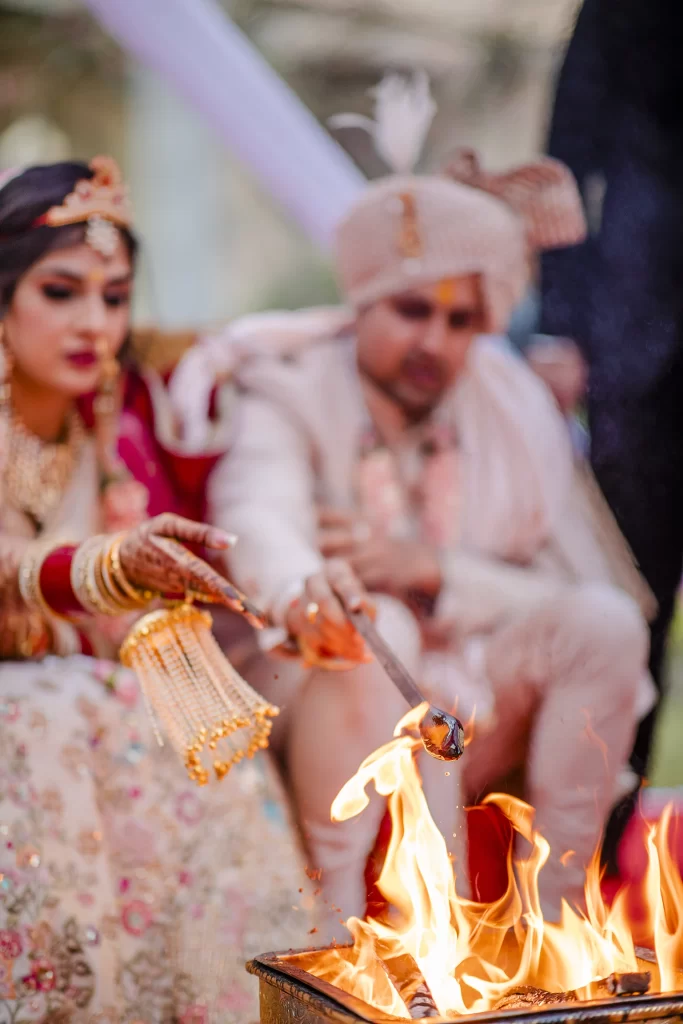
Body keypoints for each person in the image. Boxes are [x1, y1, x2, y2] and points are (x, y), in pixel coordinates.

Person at [201, 80, 655, 940]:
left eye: (460, 319)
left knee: (598, 625)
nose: (435, 343)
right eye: (413, 310)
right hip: (321, 702)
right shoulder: (290, 387)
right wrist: (312, 588)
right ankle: (339, 935)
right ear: (365, 301)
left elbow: (585, 592)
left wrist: (434, 571)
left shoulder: (508, 409)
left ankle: (556, 926)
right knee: (379, 634)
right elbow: (255, 516)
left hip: (472, 700)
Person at [0, 158, 311, 1024]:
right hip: (25, 704)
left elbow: (266, 337)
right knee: (54, 711)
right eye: (60, 292)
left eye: (113, 296)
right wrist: (103, 566)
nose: (92, 323)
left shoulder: (105, 416)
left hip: (71, 679)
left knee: (192, 724)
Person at [539, 0, 683, 805]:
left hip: (636, 338)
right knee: (631, 598)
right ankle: (598, 869)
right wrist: (561, 328)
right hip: (638, 346)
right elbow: (567, 155)